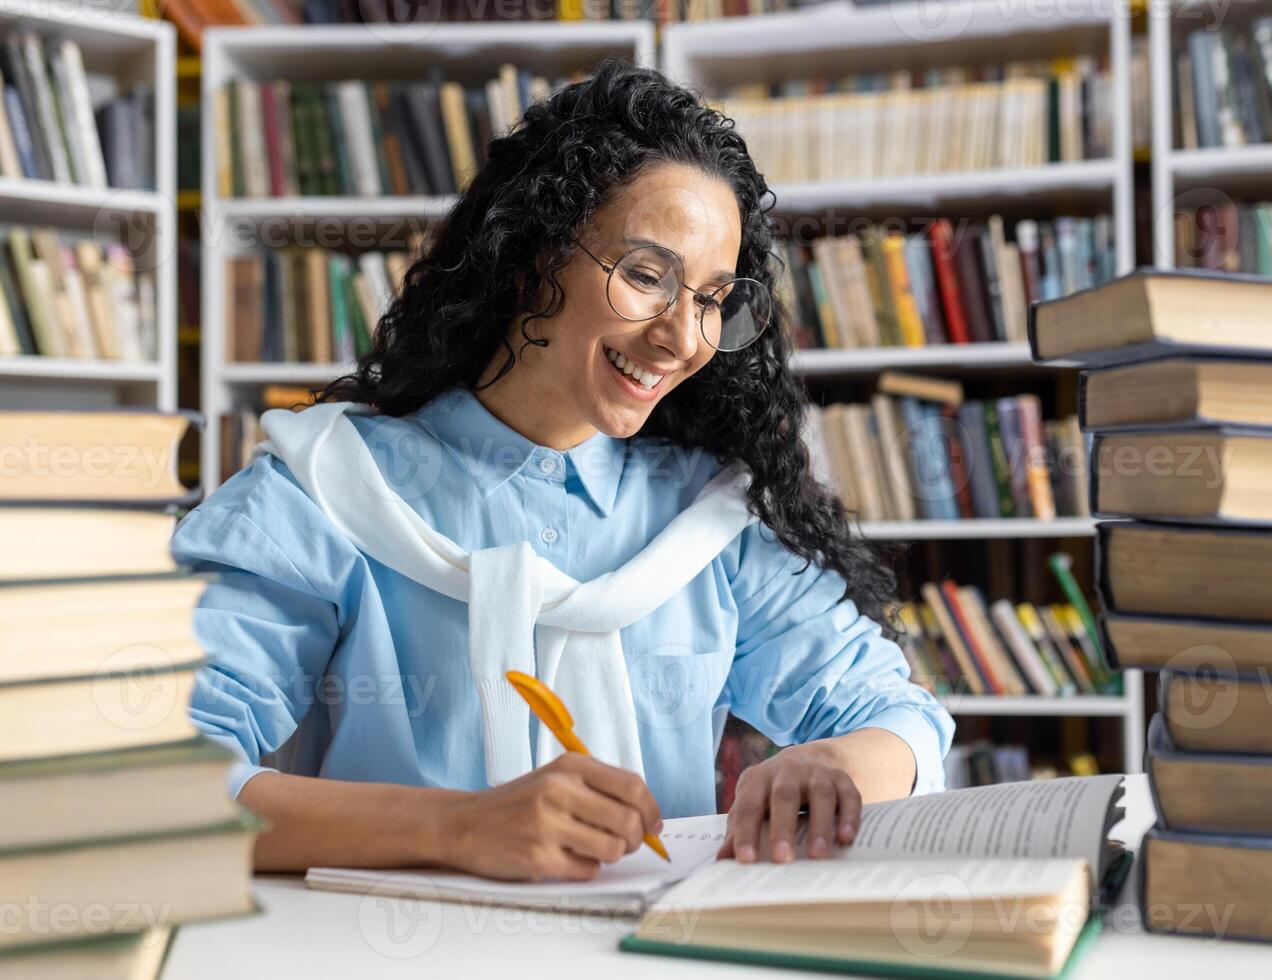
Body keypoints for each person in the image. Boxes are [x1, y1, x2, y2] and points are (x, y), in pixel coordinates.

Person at [175, 58, 953, 883]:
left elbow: (895, 717)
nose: (682, 339)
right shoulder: (325, 490)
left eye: (712, 299)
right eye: (648, 276)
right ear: (531, 257)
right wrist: (459, 828)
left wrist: (835, 765)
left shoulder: (707, 520)